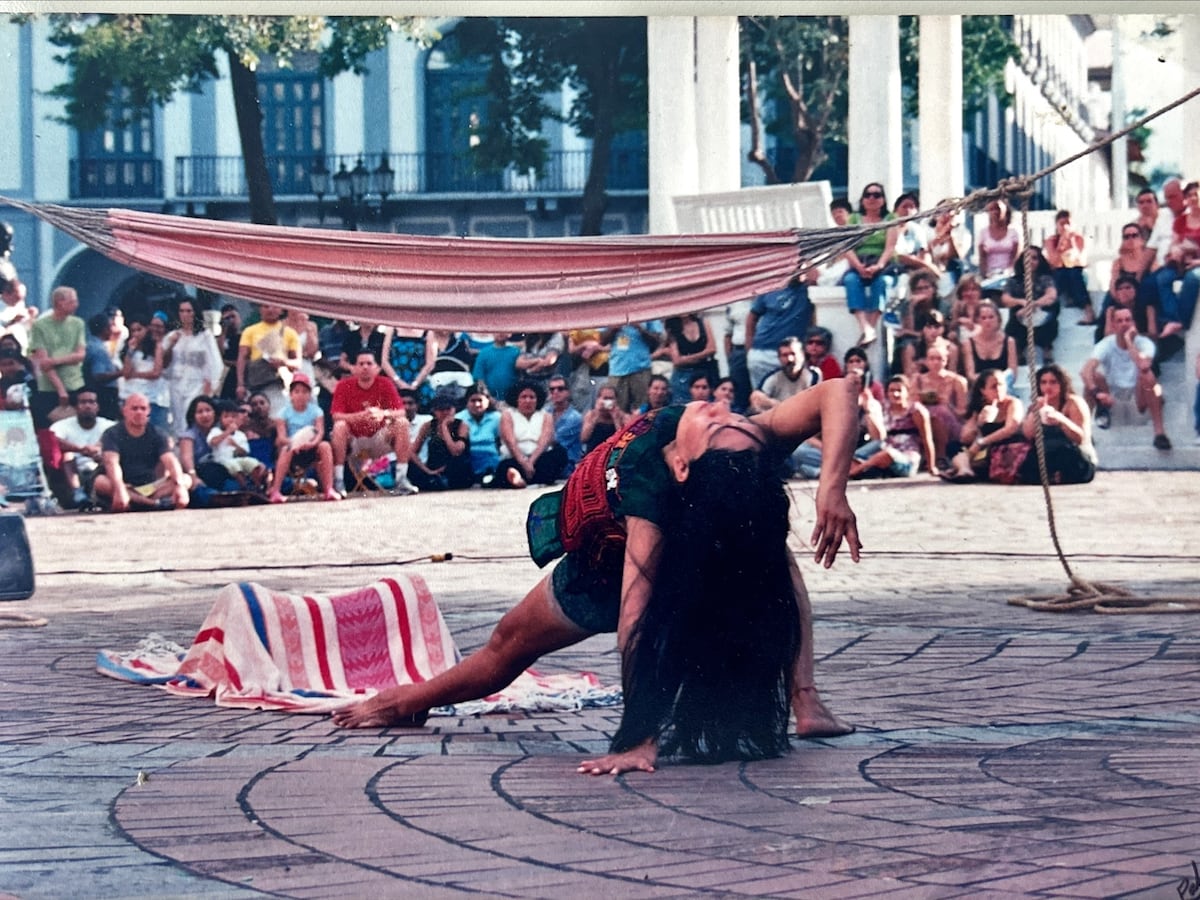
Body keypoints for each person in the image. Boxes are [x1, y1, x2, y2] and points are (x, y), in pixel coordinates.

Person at [333, 380, 863, 778]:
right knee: (506, 646)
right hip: (628, 556)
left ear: (682, 465)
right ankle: (409, 701)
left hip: (613, 576)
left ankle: (805, 697)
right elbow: (837, 391)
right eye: (732, 417)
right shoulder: (741, 444)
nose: (721, 411)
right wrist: (830, 489)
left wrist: (639, 738)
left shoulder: (650, 497)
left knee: (762, 547)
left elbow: (634, 618)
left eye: (722, 425)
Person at [330, 349, 417, 495]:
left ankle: (401, 479)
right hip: (354, 440)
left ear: (377, 368)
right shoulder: (343, 385)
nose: (365, 367)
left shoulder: (385, 383)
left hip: (379, 438)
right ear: (354, 368)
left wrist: (383, 414)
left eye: (369, 363)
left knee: (402, 422)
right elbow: (336, 416)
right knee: (339, 426)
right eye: (361, 364)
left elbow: (401, 411)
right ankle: (338, 481)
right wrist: (360, 416)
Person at [1081, 307, 1171, 449]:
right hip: (1113, 397)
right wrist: (1096, 392)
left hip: (1139, 398)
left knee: (1149, 377)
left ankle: (1160, 433)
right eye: (1120, 321)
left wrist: (1129, 341)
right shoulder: (1106, 344)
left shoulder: (1145, 343)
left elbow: (1143, 365)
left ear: (1133, 322)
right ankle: (1085, 433)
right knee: (1093, 377)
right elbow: (1085, 370)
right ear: (1114, 325)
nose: (1124, 324)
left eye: (1128, 320)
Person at [93, 393, 190, 512]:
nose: (139, 412)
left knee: (185, 479)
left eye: (143, 408)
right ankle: (152, 504)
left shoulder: (157, 433)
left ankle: (139, 502)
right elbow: (111, 463)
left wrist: (180, 486)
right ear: (124, 411)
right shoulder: (112, 434)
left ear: (148, 411)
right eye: (134, 408)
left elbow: (170, 461)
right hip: (124, 484)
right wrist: (120, 489)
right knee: (100, 482)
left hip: (151, 487)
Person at [942, 368, 1027, 483]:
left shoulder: (1013, 403)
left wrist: (982, 441)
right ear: (983, 391)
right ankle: (965, 470)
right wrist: (979, 424)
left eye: (1001, 385)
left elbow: (1011, 428)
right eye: (993, 387)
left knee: (981, 455)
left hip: (1005, 445)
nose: (998, 390)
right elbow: (965, 437)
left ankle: (963, 468)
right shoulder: (981, 407)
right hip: (984, 450)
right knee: (954, 446)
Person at [1019, 364, 1096, 485]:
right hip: (1048, 452)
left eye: (1053, 382)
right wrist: (1035, 413)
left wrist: (1061, 420)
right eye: (1043, 382)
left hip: (1074, 453)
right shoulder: (1036, 404)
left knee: (1066, 454)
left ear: (1062, 383)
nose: (1048, 387)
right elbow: (1028, 435)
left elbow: (1081, 438)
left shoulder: (1073, 403)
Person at [268, 373, 339, 503]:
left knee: (325, 446)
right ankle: (276, 490)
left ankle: (329, 489)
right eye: (297, 391)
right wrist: (295, 443)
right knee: (284, 449)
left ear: (309, 394)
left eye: (305, 392)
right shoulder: (283, 413)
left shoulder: (316, 411)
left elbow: (320, 432)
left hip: (311, 446)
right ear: (291, 394)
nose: (300, 395)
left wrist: (312, 443)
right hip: (292, 447)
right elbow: (282, 437)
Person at [841, 183, 897, 345]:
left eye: (877, 195)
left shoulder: (890, 219)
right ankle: (865, 327)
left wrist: (879, 266)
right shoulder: (854, 219)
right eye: (868, 195)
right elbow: (847, 246)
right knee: (851, 281)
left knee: (882, 283)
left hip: (882, 263)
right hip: (859, 262)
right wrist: (858, 266)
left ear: (883, 199)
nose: (872, 198)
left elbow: (890, 247)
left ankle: (870, 329)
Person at [848, 375, 935, 480]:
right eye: (891, 390)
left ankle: (854, 472)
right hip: (882, 456)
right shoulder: (884, 409)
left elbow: (927, 439)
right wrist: (868, 409)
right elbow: (877, 437)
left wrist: (931, 467)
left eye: (899, 390)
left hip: (906, 458)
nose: (895, 394)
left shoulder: (916, 411)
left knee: (887, 454)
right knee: (852, 457)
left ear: (907, 392)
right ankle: (862, 468)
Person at [26, 286, 85, 431]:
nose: (76, 305)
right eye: (72, 301)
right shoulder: (40, 326)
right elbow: (43, 362)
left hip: (75, 383)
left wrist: (55, 361)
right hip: (50, 387)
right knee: (52, 428)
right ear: (59, 302)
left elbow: (80, 355)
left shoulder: (78, 323)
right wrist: (61, 390)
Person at [163, 297, 222, 439]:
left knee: (194, 419)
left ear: (195, 313)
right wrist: (171, 344)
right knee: (178, 421)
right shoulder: (173, 335)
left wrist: (208, 390)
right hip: (176, 384)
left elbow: (214, 363)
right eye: (182, 311)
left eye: (189, 311)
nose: (185, 314)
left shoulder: (205, 336)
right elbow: (163, 362)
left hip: (197, 384)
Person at [744, 273, 815, 391]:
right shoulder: (770, 288)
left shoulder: (806, 290)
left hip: (791, 355)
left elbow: (815, 277)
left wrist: (804, 263)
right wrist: (749, 350)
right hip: (762, 352)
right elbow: (752, 318)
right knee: (761, 397)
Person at [49, 388, 114, 509]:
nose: (87, 406)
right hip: (72, 471)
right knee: (68, 454)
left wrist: (97, 450)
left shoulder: (109, 425)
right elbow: (52, 439)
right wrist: (79, 449)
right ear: (76, 407)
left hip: (99, 468)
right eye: (83, 402)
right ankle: (77, 492)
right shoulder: (62, 425)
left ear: (98, 406)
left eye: (91, 402)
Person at [1155, 180, 1200, 339]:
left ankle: (1181, 320)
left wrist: (1197, 262)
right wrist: (1174, 252)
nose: (1193, 198)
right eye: (1190, 195)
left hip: (1197, 265)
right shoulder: (1181, 220)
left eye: (1196, 194)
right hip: (1183, 262)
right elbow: (1174, 243)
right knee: (1162, 278)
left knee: (1193, 278)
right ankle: (1173, 317)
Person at [235, 304, 300, 414]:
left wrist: (283, 363)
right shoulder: (249, 331)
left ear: (281, 309)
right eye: (266, 306)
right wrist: (240, 384)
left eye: (274, 306)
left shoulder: (290, 333)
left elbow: (297, 363)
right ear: (260, 309)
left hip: (277, 385)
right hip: (255, 384)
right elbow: (242, 358)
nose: (270, 310)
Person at [1001, 246, 1059, 366]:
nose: (1030, 261)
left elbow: (1051, 295)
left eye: (1034, 258)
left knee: (1053, 307)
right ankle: (1019, 351)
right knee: (1014, 314)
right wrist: (1021, 302)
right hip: (1021, 318)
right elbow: (1005, 298)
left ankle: (1047, 350)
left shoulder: (1045, 279)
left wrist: (1032, 305)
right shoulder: (1013, 281)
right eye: (1027, 258)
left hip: (1041, 315)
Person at [408, 394, 473, 492]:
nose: (445, 412)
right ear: (434, 411)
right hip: (434, 470)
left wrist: (444, 427)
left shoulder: (462, 425)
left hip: (454, 468)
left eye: (448, 409)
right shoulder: (428, 425)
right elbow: (412, 452)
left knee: (458, 463)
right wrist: (428, 471)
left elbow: (456, 451)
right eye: (441, 409)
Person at [206, 398, 268, 492]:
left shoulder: (240, 435)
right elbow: (212, 442)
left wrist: (235, 445)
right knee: (234, 466)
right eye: (226, 417)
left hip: (238, 459)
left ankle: (258, 486)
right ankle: (245, 487)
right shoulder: (216, 431)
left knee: (252, 463)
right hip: (222, 462)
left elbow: (244, 452)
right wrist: (227, 432)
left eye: (233, 416)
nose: (230, 419)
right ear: (219, 419)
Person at [119, 316, 169, 432]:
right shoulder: (130, 348)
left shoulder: (157, 347)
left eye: (139, 329)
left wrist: (135, 374)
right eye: (133, 330)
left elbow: (156, 373)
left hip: (152, 398)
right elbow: (126, 373)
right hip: (132, 395)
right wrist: (130, 351)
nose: (136, 334)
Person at [600, 321, 663, 413]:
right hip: (617, 370)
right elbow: (602, 341)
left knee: (642, 409)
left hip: (641, 369)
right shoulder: (612, 310)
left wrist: (640, 328)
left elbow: (657, 341)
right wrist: (614, 328)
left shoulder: (646, 310)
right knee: (615, 409)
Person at [1043, 210, 1093, 325]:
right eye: (1062, 224)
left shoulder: (1080, 239)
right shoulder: (1051, 241)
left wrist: (1072, 243)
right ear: (1056, 225)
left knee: (1073, 273)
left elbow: (1081, 261)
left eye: (1068, 223)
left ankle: (1089, 311)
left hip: (1076, 272)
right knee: (1061, 273)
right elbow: (1054, 262)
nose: (1065, 227)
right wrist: (1061, 243)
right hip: (1058, 273)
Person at [749, 336, 819, 413]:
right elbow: (756, 397)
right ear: (779, 358)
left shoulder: (812, 376)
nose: (790, 359)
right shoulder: (774, 377)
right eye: (785, 355)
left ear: (802, 355)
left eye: (793, 354)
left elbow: (812, 404)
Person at [662, 314, 718, 404]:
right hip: (683, 376)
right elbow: (677, 360)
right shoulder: (672, 327)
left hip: (704, 373)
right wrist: (703, 355)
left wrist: (688, 358)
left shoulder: (703, 322)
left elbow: (712, 349)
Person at [962, 299, 1017, 389]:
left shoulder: (1009, 341)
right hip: (980, 389)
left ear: (998, 318)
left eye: (991, 317)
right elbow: (970, 375)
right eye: (983, 318)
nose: (987, 321)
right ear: (977, 320)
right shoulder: (968, 343)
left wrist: (996, 383)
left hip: (1003, 387)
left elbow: (1012, 373)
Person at [456, 383, 503, 485]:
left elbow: (502, 442)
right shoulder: (459, 418)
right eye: (473, 401)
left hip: (491, 459)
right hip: (469, 460)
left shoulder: (497, 418)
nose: (477, 404)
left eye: (480, 400)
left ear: (487, 401)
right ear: (467, 402)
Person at [83, 311, 122, 422]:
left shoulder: (93, 345)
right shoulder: (99, 350)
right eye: (110, 327)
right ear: (105, 329)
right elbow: (98, 375)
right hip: (104, 394)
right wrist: (120, 373)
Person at [545, 375, 583, 478]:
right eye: (552, 389)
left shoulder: (575, 418)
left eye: (560, 389)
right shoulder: (546, 412)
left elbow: (552, 440)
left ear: (568, 392)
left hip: (567, 465)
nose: (556, 392)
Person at [472, 332, 522, 405]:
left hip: (513, 399)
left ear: (509, 334)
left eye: (503, 331)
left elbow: (521, 376)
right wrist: (488, 397)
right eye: (497, 331)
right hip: (489, 400)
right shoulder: (484, 353)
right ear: (492, 334)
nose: (500, 334)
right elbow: (479, 378)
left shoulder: (516, 352)